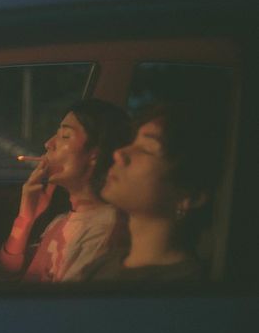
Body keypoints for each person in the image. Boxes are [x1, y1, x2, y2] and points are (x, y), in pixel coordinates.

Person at [0, 98, 131, 283]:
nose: (48, 143)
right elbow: (0, 280)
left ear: (95, 153)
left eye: (65, 136)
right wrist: (24, 220)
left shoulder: (103, 232)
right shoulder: (61, 222)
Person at [86, 102, 226, 282]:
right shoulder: (103, 264)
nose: (119, 153)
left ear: (189, 196)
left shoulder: (187, 289)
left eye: (146, 149)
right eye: (133, 143)